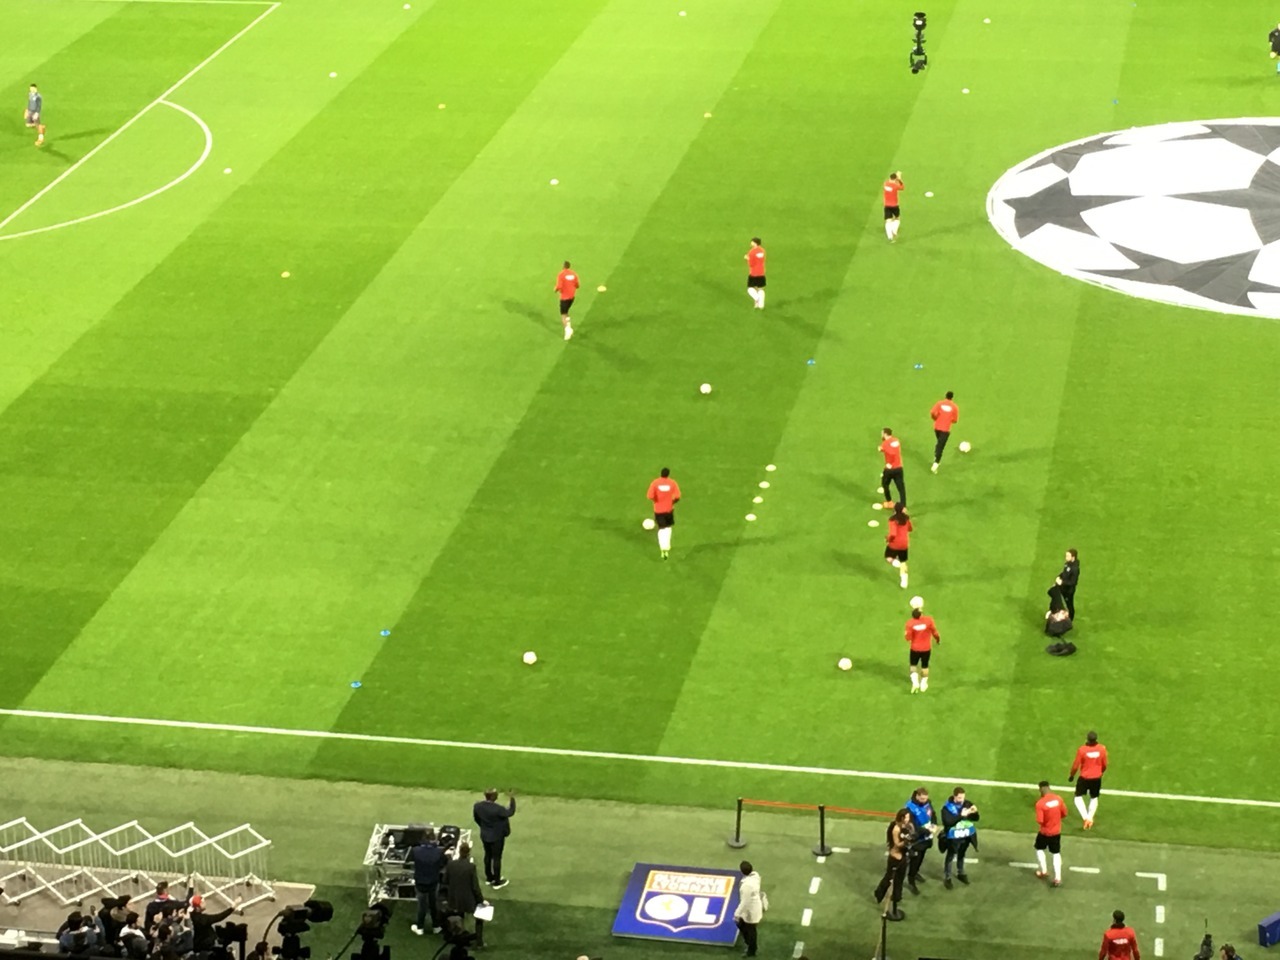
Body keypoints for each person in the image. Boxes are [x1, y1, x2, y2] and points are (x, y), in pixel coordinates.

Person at [442, 842, 488, 950]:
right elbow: (475, 887)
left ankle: (459, 938)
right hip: (467, 900)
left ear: (459, 852)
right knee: (480, 917)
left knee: (459, 916)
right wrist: (481, 900)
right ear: (468, 853)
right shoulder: (471, 867)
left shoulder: (451, 864)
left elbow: (445, 880)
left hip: (454, 899)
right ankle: (479, 942)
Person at [872, 809, 913, 921]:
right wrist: (906, 841)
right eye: (906, 817)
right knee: (889, 878)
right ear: (902, 818)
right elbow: (897, 844)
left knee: (900, 879)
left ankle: (897, 897)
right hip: (895, 858)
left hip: (903, 857)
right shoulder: (896, 829)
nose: (908, 819)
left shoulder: (907, 826)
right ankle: (879, 893)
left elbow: (911, 834)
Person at [472, 788, 516, 888]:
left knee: (487, 855)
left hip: (485, 835)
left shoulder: (478, 806)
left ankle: (489, 877)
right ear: (492, 797)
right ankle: (497, 881)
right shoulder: (498, 809)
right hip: (497, 837)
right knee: (497, 858)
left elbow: (476, 819)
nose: (497, 795)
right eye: (495, 794)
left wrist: (483, 827)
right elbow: (510, 812)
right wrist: (512, 798)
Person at [939, 787, 979, 888]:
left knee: (962, 854)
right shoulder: (947, 808)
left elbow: (976, 818)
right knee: (950, 856)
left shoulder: (967, 804)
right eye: (960, 798)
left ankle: (960, 872)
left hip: (965, 835)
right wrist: (961, 816)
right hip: (953, 837)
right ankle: (947, 877)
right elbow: (948, 822)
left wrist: (975, 812)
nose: (962, 800)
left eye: (963, 797)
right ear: (954, 797)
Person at [1068, 730, 1109, 829]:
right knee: (1094, 797)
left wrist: (1072, 775)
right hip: (1097, 778)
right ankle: (1090, 818)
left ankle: (1086, 818)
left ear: (1087, 739)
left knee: (1077, 797)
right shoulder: (1102, 749)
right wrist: (1100, 772)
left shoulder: (1082, 750)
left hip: (1084, 777)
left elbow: (1075, 766)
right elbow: (1104, 764)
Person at [410, 828, 446, 935]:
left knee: (422, 905)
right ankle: (436, 926)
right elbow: (443, 864)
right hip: (433, 882)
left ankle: (420, 927)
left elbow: (410, 862)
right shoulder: (438, 852)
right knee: (433, 904)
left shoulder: (415, 850)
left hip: (420, 882)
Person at [903, 787, 937, 894]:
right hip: (916, 839)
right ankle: (911, 880)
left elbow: (933, 814)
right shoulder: (910, 808)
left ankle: (916, 873)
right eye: (922, 799)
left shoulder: (927, 803)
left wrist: (934, 824)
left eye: (925, 799)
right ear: (917, 796)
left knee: (921, 856)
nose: (924, 801)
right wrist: (928, 830)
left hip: (926, 838)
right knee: (915, 860)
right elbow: (912, 826)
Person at [1034, 780, 1068, 886]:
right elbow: (1064, 813)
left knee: (1039, 848)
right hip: (1056, 832)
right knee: (1056, 853)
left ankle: (1044, 871)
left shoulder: (1040, 804)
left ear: (1040, 789)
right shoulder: (1058, 799)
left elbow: (1040, 820)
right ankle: (1058, 878)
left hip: (1044, 832)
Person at [732, 860, 768, 957]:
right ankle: (750, 944)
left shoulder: (746, 886)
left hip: (751, 910)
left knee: (750, 930)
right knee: (744, 926)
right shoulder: (755, 876)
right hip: (754, 907)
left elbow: (745, 902)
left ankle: (751, 950)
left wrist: (737, 913)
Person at [647, 467, 681, 559]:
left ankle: (663, 547)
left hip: (658, 510)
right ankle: (667, 546)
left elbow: (650, 495)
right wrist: (672, 502)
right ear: (668, 474)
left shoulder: (655, 483)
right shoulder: (672, 483)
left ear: (661, 474)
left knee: (661, 528)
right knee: (668, 527)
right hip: (669, 509)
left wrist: (656, 500)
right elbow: (678, 496)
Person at [904, 606, 940, 693]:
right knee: (925, 666)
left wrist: (907, 634)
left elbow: (908, 638)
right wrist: (938, 639)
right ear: (920, 615)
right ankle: (923, 684)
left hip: (915, 648)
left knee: (913, 665)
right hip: (926, 649)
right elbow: (935, 632)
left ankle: (915, 683)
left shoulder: (910, 623)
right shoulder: (928, 620)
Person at [929, 391, 959, 473]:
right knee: (940, 446)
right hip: (945, 430)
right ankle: (936, 463)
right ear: (952, 397)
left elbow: (932, 412)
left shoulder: (939, 403)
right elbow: (955, 420)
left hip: (937, 428)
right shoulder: (954, 407)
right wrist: (949, 419)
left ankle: (936, 456)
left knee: (939, 443)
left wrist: (935, 418)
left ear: (945, 396)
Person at [884, 503, 912, 589]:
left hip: (895, 544)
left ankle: (897, 564)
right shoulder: (906, 518)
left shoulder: (892, 520)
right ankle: (904, 582)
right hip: (904, 544)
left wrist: (888, 539)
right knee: (903, 562)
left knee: (888, 557)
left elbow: (893, 534)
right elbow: (910, 529)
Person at [878, 427, 906, 507]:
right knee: (901, 488)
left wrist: (889, 463)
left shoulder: (885, 444)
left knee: (885, 484)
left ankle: (889, 502)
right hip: (899, 468)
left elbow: (881, 449)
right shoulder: (896, 440)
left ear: (885, 434)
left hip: (890, 469)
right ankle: (903, 506)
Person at [555, 261, 579, 341]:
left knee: (563, 314)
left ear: (563, 266)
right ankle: (569, 327)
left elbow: (559, 286)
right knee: (566, 312)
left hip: (564, 298)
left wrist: (555, 289)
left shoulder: (561, 275)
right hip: (572, 297)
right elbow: (577, 285)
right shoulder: (574, 274)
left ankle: (567, 330)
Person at [1055, 549, 1080, 620]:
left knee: (1069, 605)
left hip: (1068, 591)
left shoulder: (1075, 569)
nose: (1066, 557)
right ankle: (1056, 612)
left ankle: (1070, 619)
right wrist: (1059, 576)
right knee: (1055, 596)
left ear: (1073, 557)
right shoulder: (1067, 563)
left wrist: (1062, 582)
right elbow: (1064, 573)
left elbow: (1073, 582)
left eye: (1068, 556)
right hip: (1062, 587)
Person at [744, 237, 766, 310]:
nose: (751, 243)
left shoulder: (752, 252)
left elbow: (751, 264)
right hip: (761, 272)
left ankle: (757, 299)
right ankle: (761, 305)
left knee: (750, 289)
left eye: (752, 242)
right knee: (760, 289)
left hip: (754, 273)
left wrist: (747, 258)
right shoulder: (762, 251)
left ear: (755, 243)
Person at [883, 171, 904, 242]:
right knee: (897, 218)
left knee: (888, 221)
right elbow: (902, 187)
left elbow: (890, 182)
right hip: (894, 205)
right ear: (895, 179)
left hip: (887, 205)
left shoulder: (885, 184)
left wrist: (896, 178)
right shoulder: (895, 186)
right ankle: (894, 230)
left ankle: (890, 236)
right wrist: (899, 179)